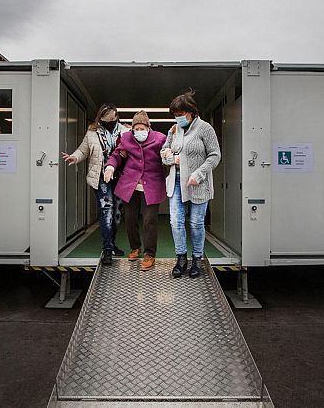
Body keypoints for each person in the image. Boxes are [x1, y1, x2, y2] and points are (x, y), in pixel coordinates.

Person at [161, 89, 221, 278]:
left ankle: (197, 260)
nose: (177, 118)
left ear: (191, 112)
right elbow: (164, 152)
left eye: (180, 114)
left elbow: (215, 155)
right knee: (175, 221)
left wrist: (199, 173)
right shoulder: (174, 130)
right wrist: (172, 159)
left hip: (198, 182)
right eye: (175, 115)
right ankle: (181, 258)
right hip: (176, 181)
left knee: (196, 223)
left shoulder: (205, 129)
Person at [62, 103, 130, 264]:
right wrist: (74, 157)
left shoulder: (125, 131)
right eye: (108, 119)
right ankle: (107, 249)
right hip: (101, 177)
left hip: (120, 177)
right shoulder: (92, 133)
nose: (111, 121)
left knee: (117, 214)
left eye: (113, 118)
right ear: (101, 118)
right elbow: (83, 150)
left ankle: (112, 243)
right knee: (107, 210)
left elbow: (135, 150)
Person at [103, 110, 167, 271]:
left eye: (142, 128)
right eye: (136, 129)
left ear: (148, 127)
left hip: (152, 185)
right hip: (130, 186)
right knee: (130, 219)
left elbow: (168, 152)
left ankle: (150, 254)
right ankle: (135, 248)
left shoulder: (160, 139)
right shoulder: (126, 138)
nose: (139, 131)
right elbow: (116, 155)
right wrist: (110, 167)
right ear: (132, 129)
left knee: (149, 220)